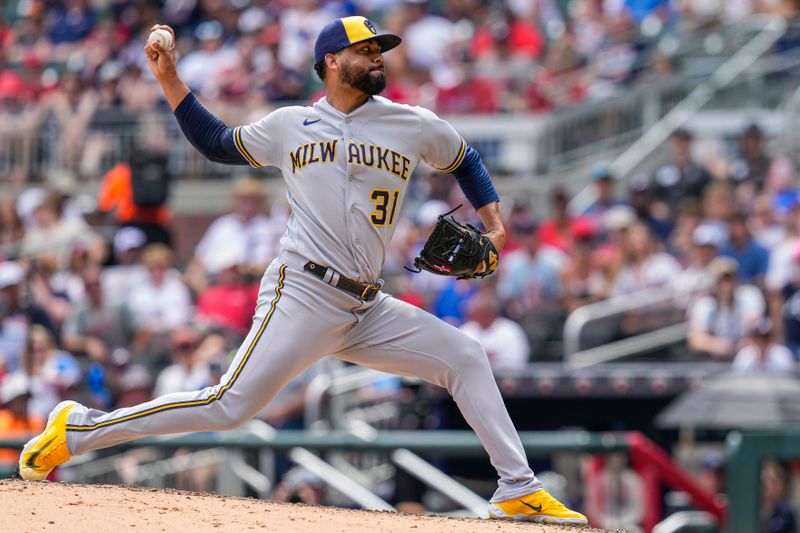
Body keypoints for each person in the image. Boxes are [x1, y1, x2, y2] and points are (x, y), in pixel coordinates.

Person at [19, 17, 586, 525]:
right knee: (228, 406)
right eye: (366, 51)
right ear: (332, 62)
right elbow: (216, 143)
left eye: (381, 50)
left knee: (465, 356)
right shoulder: (292, 124)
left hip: (366, 305)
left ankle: (518, 487)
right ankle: (81, 428)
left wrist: (494, 223)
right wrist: (169, 77)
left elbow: (465, 157)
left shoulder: (411, 124)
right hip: (303, 290)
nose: (379, 58)